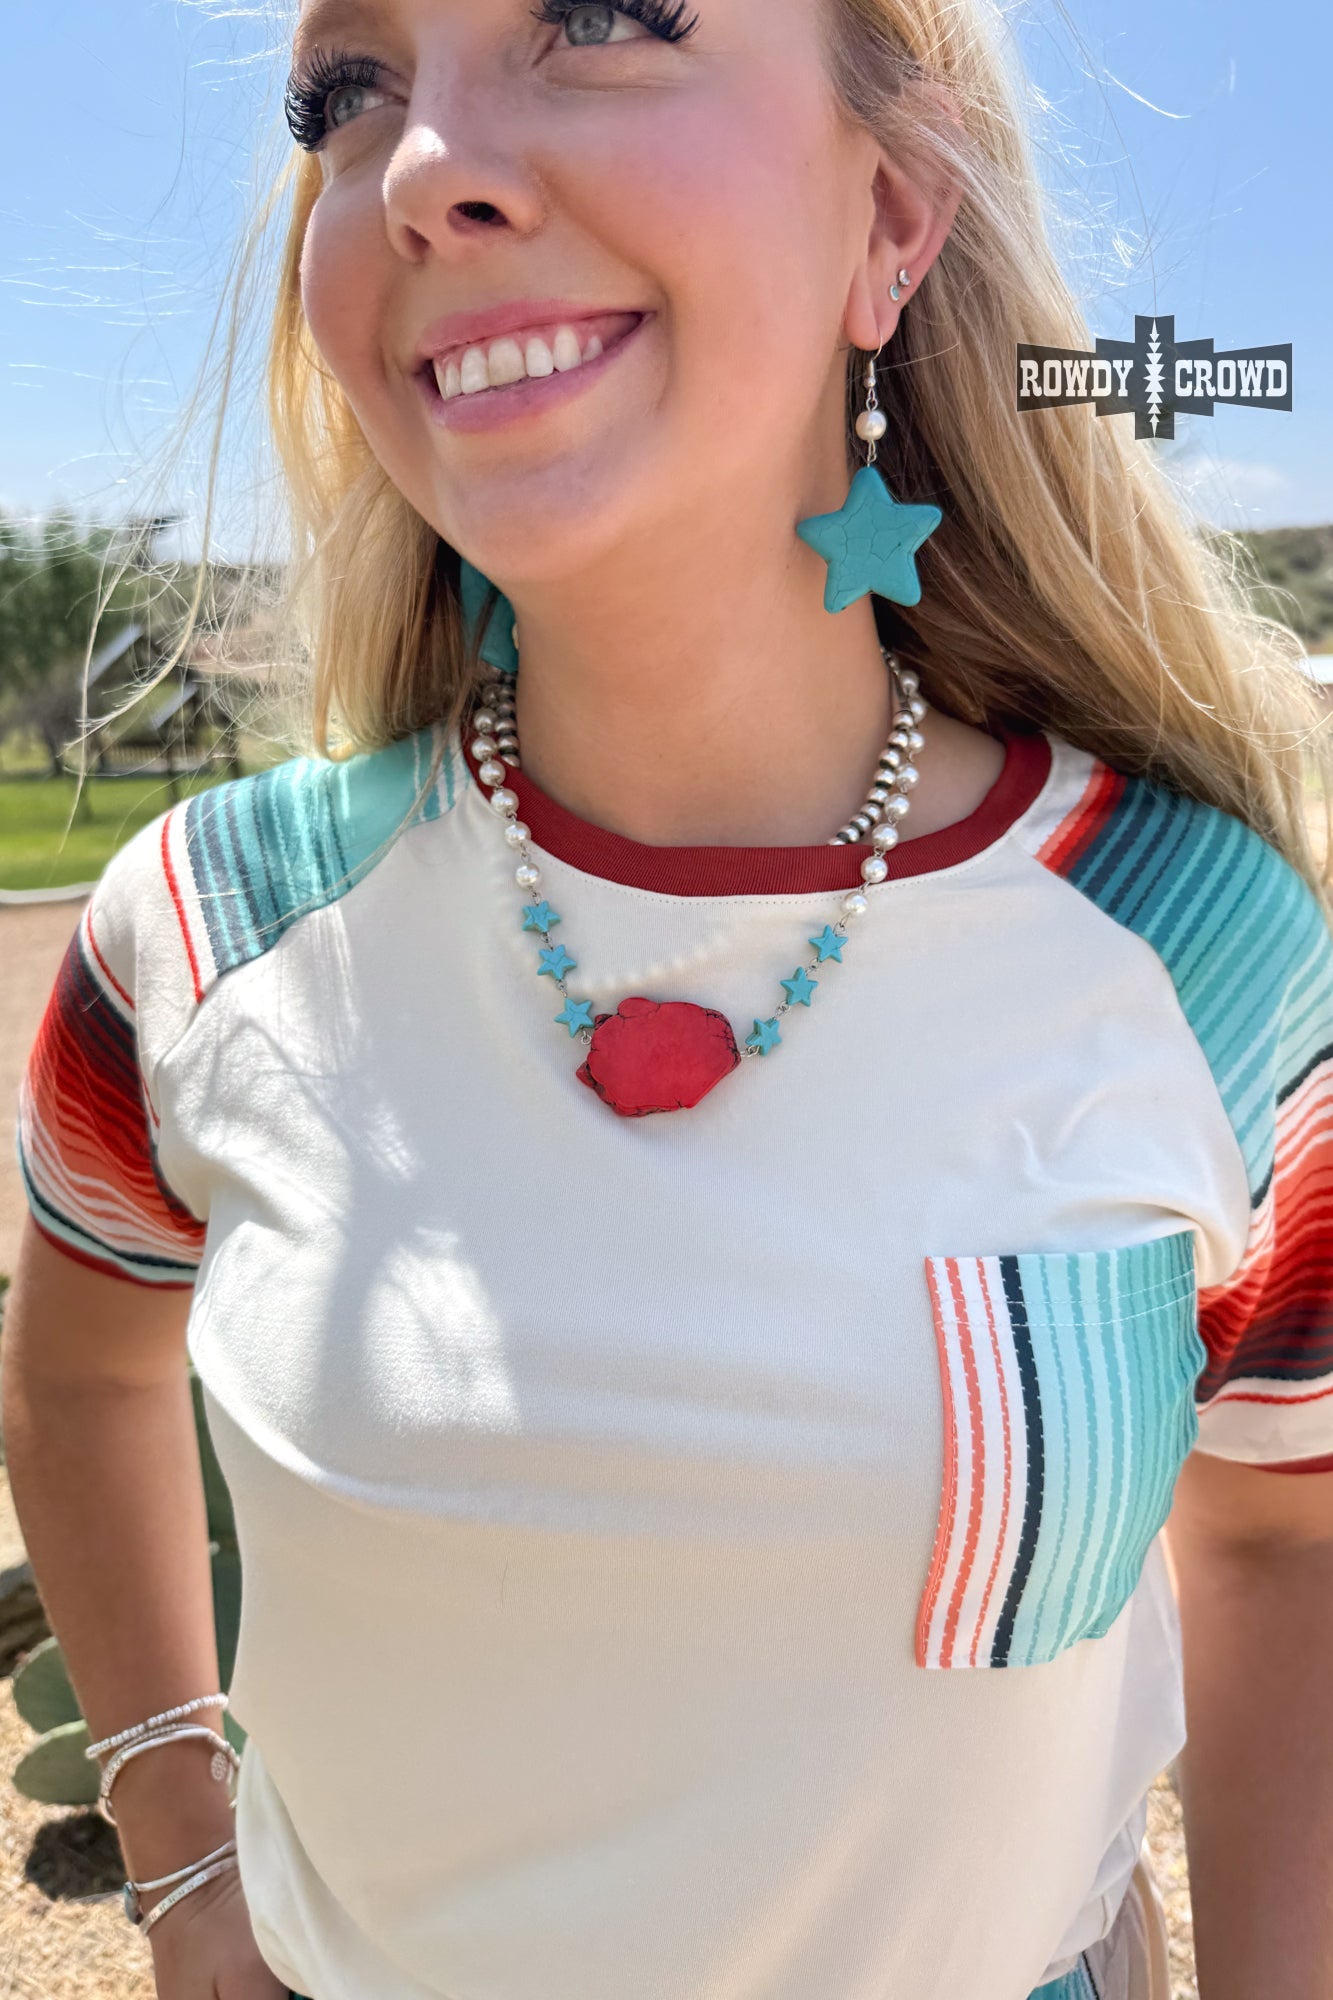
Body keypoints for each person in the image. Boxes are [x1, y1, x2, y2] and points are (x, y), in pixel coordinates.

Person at [4, 0, 1332, 1995]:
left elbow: (1284, 1536)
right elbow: (81, 1373)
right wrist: (186, 1858)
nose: (421, 165)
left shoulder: (1202, 951)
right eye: (348, 91)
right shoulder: (199, 936)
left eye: (602, 18)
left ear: (891, 218)